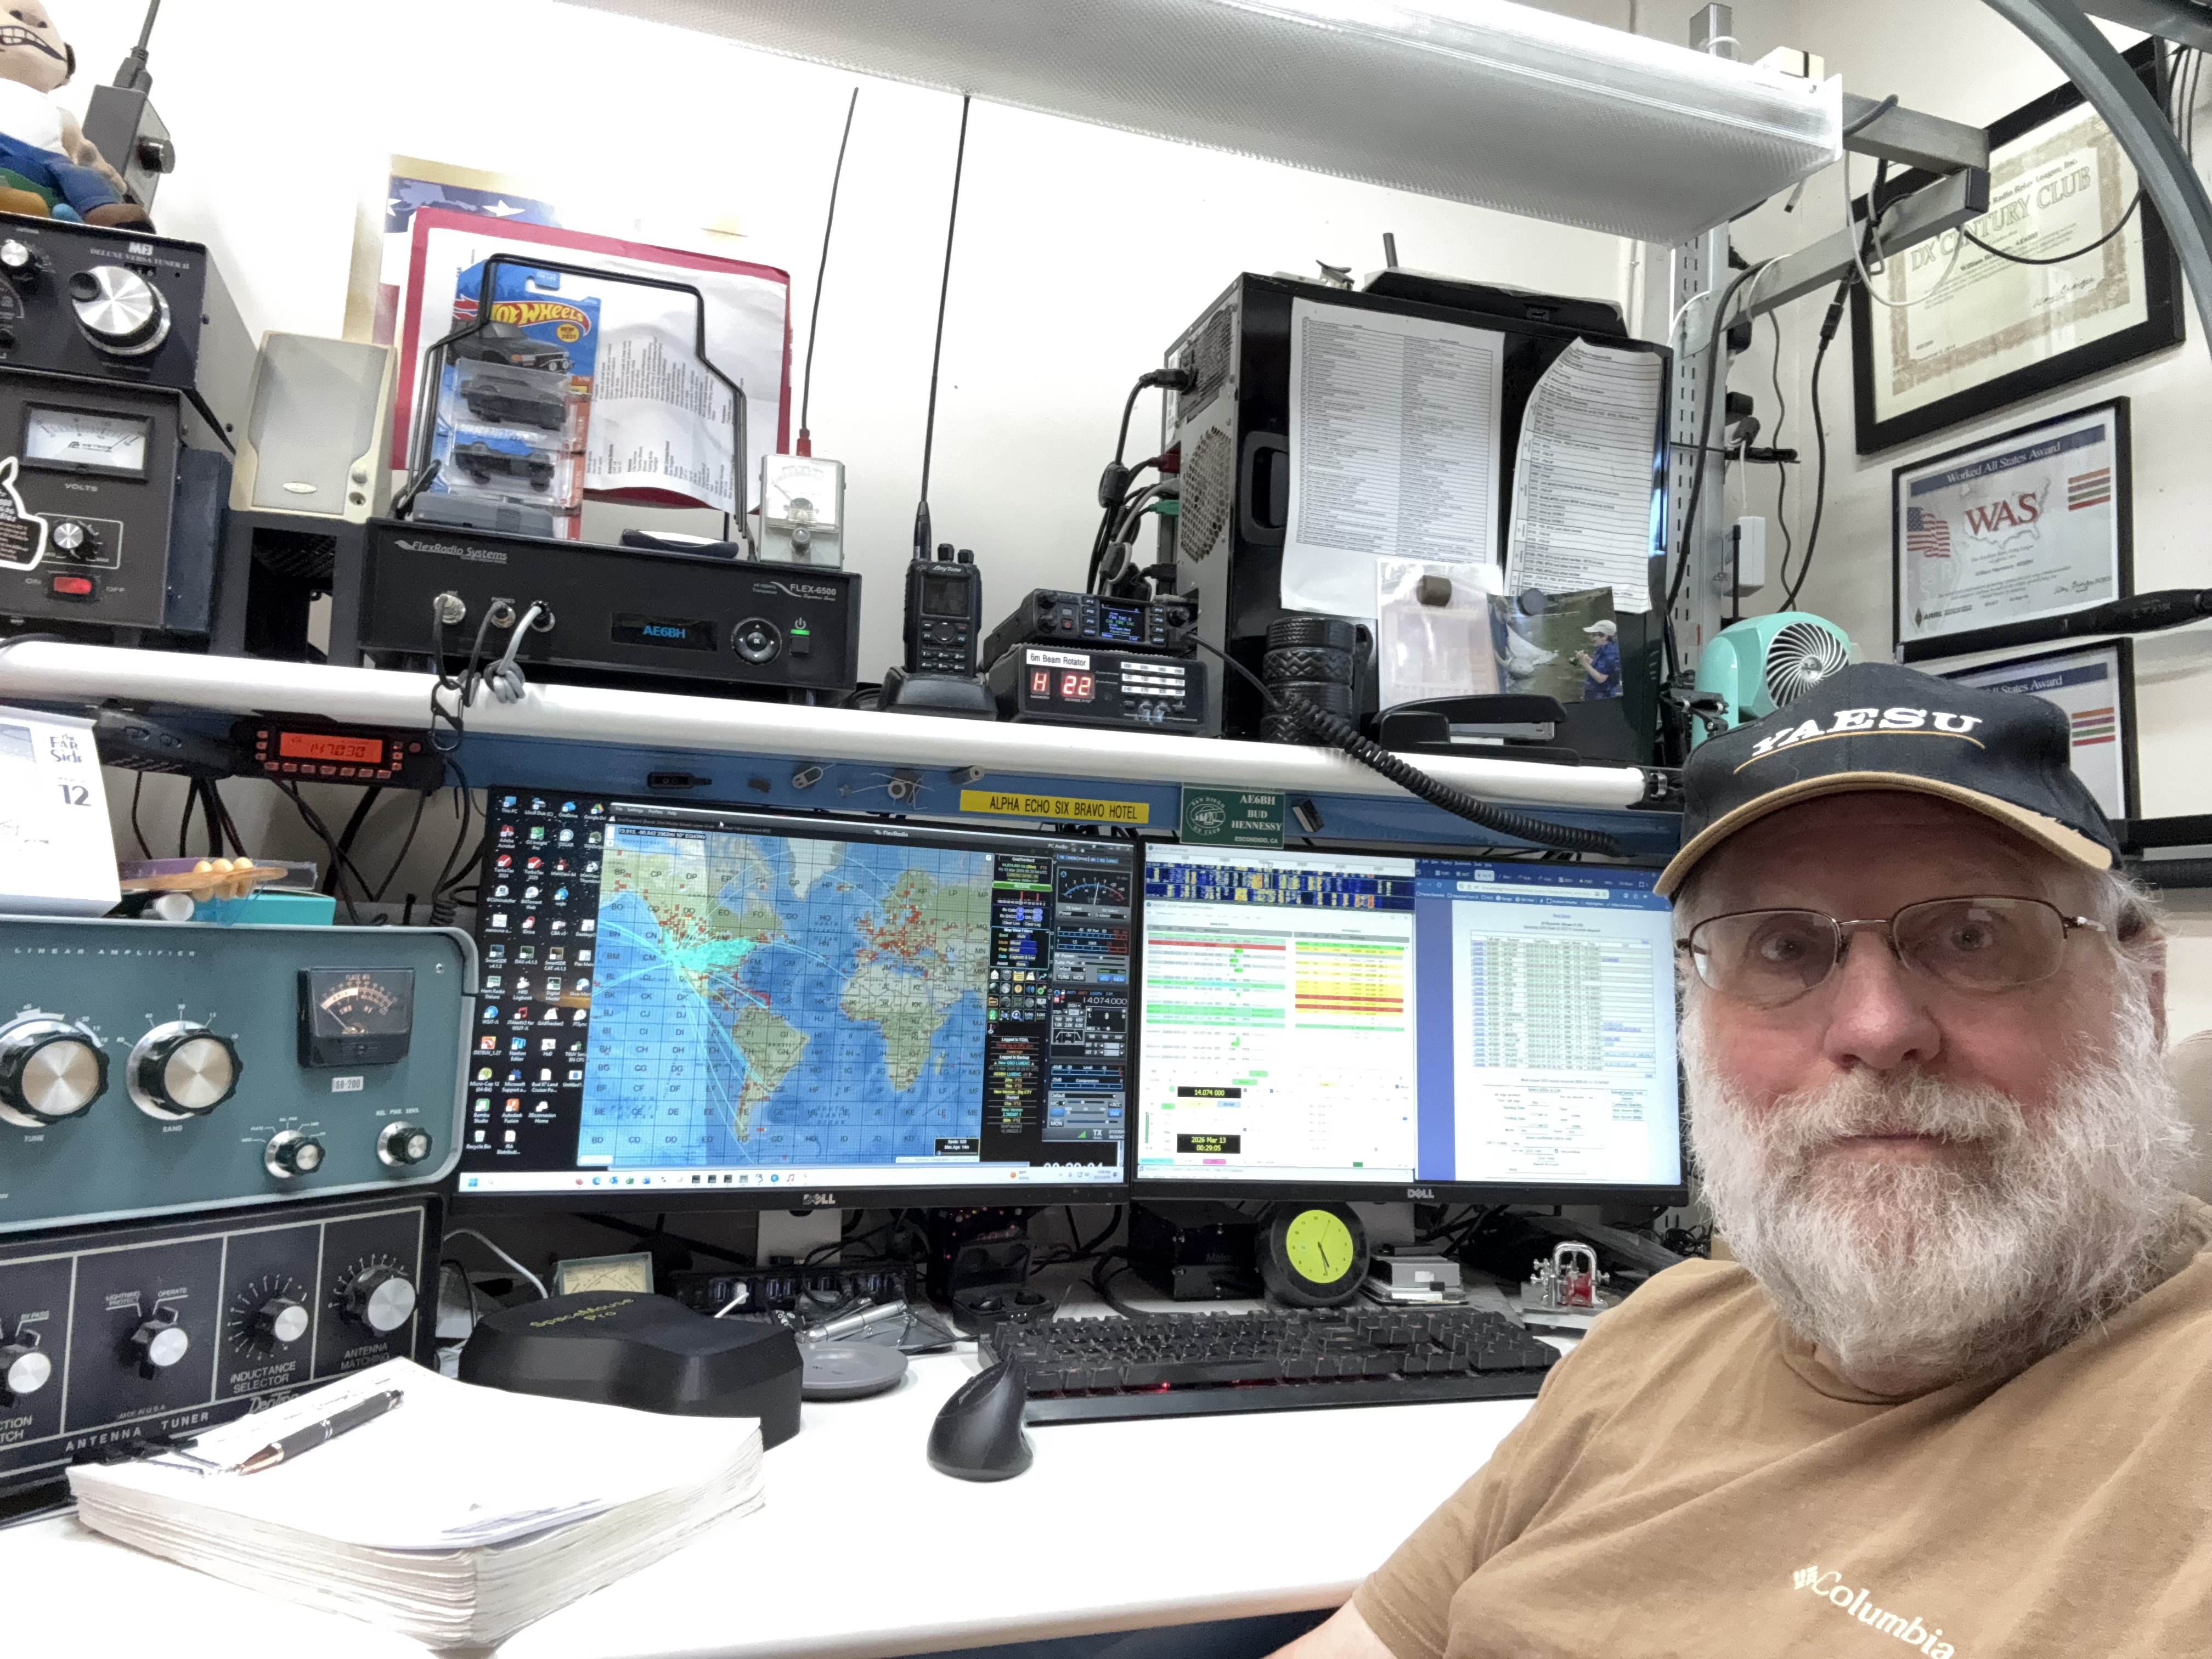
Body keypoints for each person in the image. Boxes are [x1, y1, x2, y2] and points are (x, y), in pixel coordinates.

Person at [1276, 662, 2207, 1659]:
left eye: (1972, 934)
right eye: (1783, 948)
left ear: (2142, 993)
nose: (1875, 1028)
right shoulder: (1656, 1334)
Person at [1571, 618, 1620, 699]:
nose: (1591, 638)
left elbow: (1601, 678)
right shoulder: (1604, 648)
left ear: (1605, 636)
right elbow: (1602, 668)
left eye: (1594, 635)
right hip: (1594, 694)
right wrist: (1587, 660)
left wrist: (1584, 663)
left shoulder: (1611, 654)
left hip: (1602, 697)